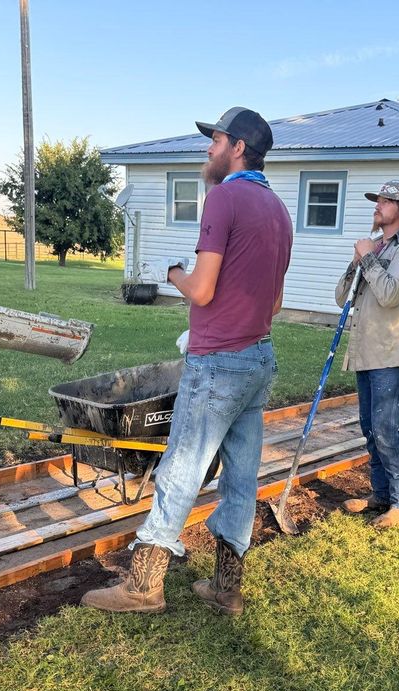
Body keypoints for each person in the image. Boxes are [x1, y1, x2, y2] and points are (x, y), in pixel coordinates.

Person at [82, 107, 293, 616]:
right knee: (241, 475)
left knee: (181, 467)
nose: (208, 149)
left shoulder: (224, 197)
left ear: (238, 147)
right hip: (259, 357)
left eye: (215, 140)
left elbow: (201, 289)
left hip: (217, 363)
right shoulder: (280, 211)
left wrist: (174, 271)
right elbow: (276, 303)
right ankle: (227, 587)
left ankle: (143, 585)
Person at [335, 179, 399, 529]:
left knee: (385, 428)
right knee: (369, 427)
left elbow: (389, 295)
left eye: (386, 201)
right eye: (376, 200)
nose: (377, 206)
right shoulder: (374, 247)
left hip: (393, 351)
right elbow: (341, 295)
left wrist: (370, 258)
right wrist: (356, 262)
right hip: (367, 350)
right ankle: (382, 494)